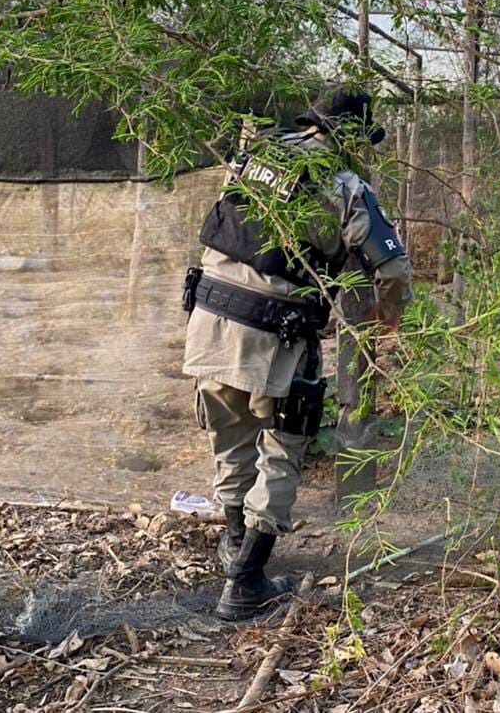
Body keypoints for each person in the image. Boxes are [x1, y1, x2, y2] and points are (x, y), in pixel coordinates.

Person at [181, 85, 413, 620]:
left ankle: (233, 544)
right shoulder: (345, 184)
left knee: (230, 436)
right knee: (283, 449)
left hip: (209, 317)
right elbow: (393, 269)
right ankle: (245, 582)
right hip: (276, 333)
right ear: (350, 138)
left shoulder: (254, 155)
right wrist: (390, 313)